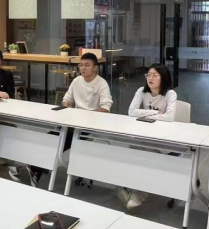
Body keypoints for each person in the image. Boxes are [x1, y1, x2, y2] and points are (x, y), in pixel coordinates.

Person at [23, 53, 112, 188]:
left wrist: (87, 115)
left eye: (87, 65)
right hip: (74, 122)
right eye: (81, 65)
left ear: (95, 68)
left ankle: (34, 168)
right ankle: (35, 168)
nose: (83, 68)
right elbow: (66, 100)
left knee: (60, 139)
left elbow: (105, 108)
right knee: (51, 137)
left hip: (91, 124)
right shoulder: (76, 81)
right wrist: (66, 110)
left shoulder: (102, 84)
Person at [119, 64, 178, 211]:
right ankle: (133, 189)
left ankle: (138, 194)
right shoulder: (141, 91)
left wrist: (144, 113)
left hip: (164, 141)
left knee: (147, 155)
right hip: (146, 136)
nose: (150, 78)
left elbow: (170, 117)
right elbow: (131, 112)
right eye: (148, 75)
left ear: (163, 78)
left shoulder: (170, 94)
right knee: (132, 150)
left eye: (155, 75)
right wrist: (155, 113)